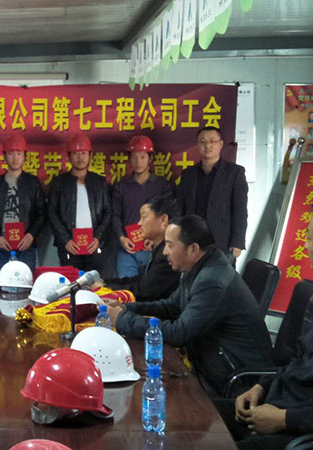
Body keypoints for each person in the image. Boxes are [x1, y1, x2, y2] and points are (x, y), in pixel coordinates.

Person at [106, 215, 273, 396]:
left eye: (170, 245)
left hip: (234, 382)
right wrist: (127, 308)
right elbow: (170, 307)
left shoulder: (212, 281)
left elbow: (179, 333)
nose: (164, 252)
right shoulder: (198, 268)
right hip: (209, 363)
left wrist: (122, 319)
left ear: (193, 249)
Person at [212, 217, 313, 450]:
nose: (306, 246)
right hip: (273, 403)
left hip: (296, 428)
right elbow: (299, 361)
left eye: (309, 238)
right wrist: (260, 387)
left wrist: (283, 419)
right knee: (193, 414)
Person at [176, 126, 248, 261]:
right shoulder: (188, 174)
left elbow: (240, 210)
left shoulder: (234, 173)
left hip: (222, 241)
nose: (207, 146)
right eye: (203, 142)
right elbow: (180, 208)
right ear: (198, 145)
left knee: (220, 274)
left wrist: (237, 242)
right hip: (192, 240)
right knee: (192, 273)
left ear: (220, 144)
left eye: (212, 141)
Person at [48, 133, 111, 273]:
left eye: (83, 153)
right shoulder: (59, 183)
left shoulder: (99, 182)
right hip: (69, 246)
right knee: (71, 283)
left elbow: (107, 211)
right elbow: (52, 212)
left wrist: (98, 238)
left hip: (94, 246)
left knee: (95, 283)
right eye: (75, 153)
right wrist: (66, 240)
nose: (80, 158)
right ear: (68, 157)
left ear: (90, 155)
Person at [112, 135, 171, 277]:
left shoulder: (162, 186)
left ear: (150, 158)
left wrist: (156, 239)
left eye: (142, 157)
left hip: (154, 249)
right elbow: (115, 215)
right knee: (126, 288)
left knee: (153, 287)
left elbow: (170, 216)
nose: (138, 162)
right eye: (134, 157)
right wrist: (122, 238)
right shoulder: (121, 186)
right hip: (127, 250)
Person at [0, 134, 46, 272]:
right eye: (11, 153)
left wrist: (31, 235)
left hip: (26, 246)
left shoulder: (33, 183)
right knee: (1, 282)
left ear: (25, 157)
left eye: (19, 154)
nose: (15, 158)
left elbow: (42, 213)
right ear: (4, 156)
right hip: (2, 246)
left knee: (26, 283)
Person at [105, 195, 180, 302]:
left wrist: (106, 290)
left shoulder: (169, 255)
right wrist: (104, 284)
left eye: (144, 217)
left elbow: (144, 292)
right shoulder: (158, 249)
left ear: (163, 219)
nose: (139, 223)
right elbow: (140, 280)